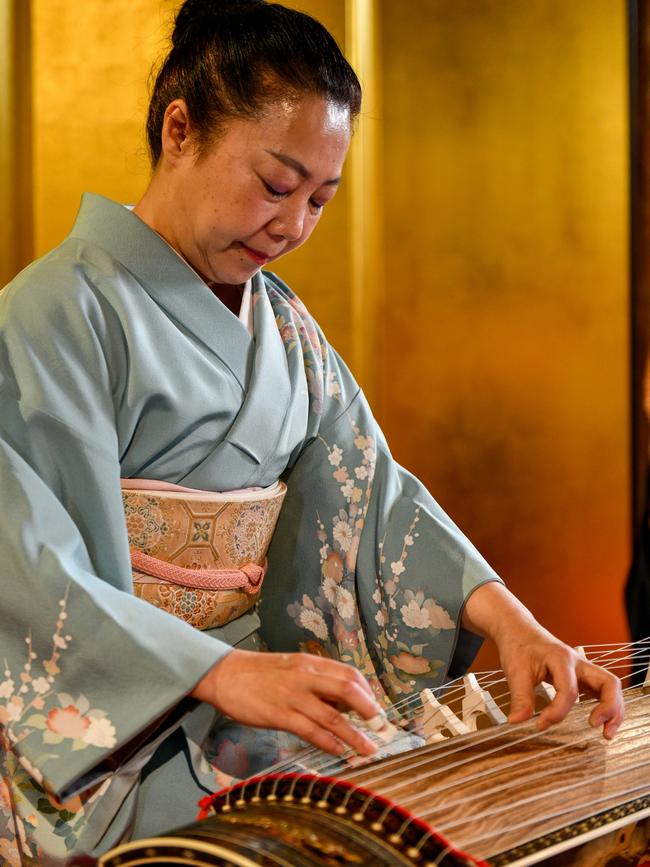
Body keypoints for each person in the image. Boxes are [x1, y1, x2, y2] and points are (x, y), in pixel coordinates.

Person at [0, 0, 623, 863]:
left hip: (270, 690)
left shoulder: (285, 328)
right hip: (131, 720)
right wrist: (210, 673)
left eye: (321, 199)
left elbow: (376, 495)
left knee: (426, 806)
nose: (293, 226)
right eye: (276, 184)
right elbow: (28, 562)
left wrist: (511, 619)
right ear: (179, 130)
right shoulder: (57, 312)